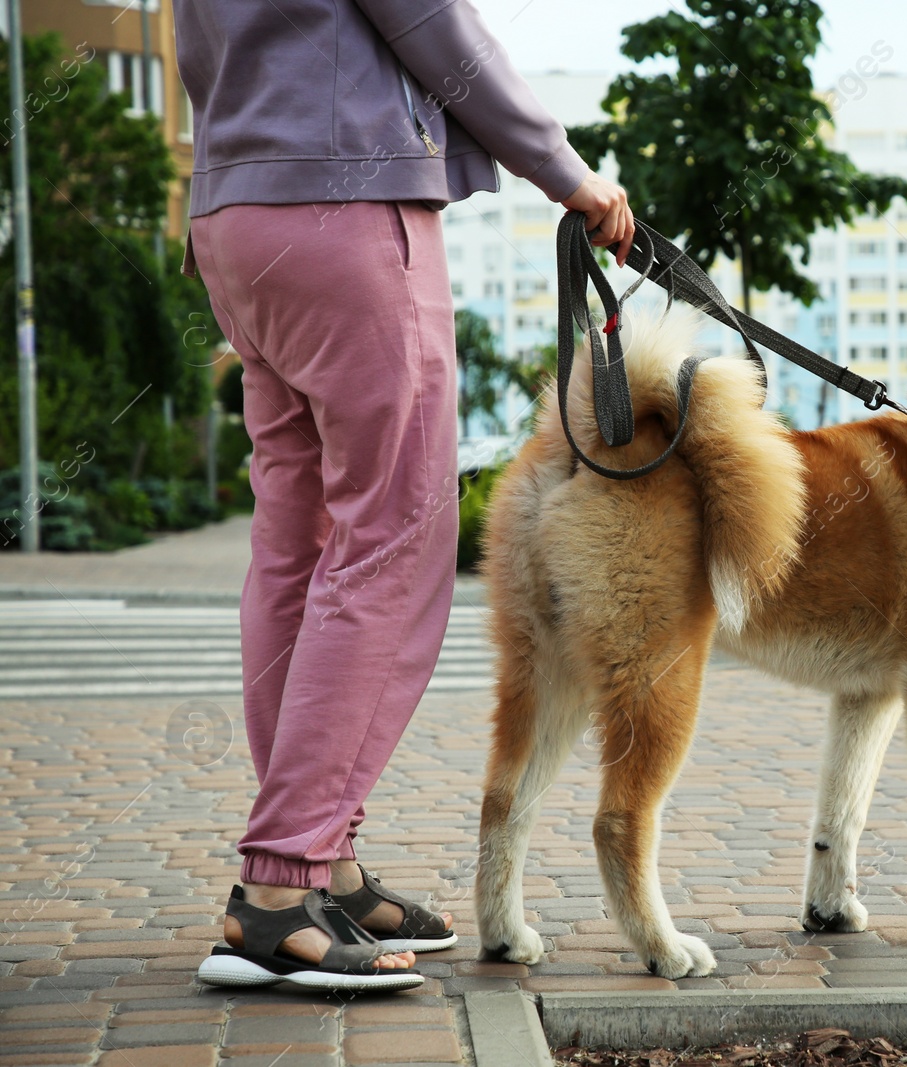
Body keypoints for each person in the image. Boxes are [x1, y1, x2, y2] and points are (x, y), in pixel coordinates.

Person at [174, 0, 634, 991]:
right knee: (394, 541)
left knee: (294, 552)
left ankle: (320, 862)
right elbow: (436, 28)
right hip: (344, 222)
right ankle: (279, 888)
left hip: (233, 226)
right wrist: (571, 174)